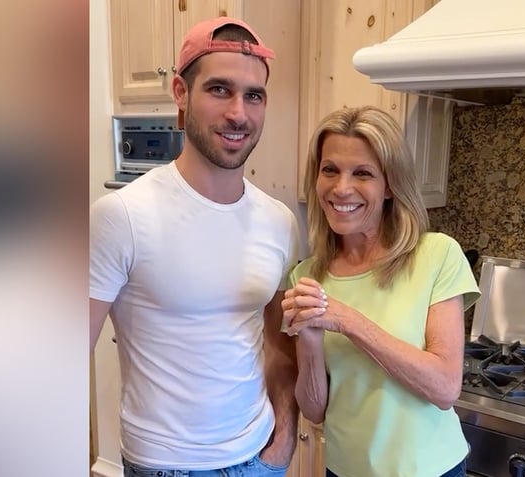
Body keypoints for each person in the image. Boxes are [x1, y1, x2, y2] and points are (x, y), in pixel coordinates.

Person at [90, 17, 300, 477]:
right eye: (220, 89)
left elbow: (281, 340)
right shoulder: (122, 216)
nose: (239, 114)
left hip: (260, 456)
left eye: (254, 96)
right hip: (167, 465)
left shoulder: (279, 222)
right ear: (182, 94)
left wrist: (284, 434)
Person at [281, 106, 481, 477]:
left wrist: (347, 320)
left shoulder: (436, 254)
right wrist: (308, 338)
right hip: (343, 470)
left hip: (431, 471)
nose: (341, 188)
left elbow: (444, 387)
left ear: (389, 185)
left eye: (363, 173)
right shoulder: (307, 276)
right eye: (330, 170)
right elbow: (314, 410)